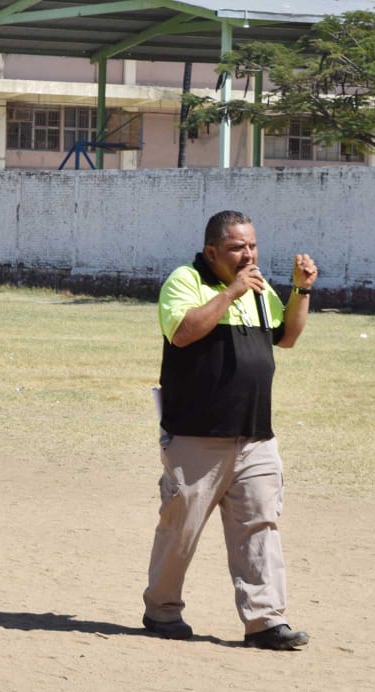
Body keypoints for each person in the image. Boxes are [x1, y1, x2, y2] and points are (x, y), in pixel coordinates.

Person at [142, 210, 318, 649]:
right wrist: (233, 291)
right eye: (239, 247)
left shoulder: (259, 289)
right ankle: (162, 610)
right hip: (196, 434)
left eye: (253, 246)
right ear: (212, 251)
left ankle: (265, 622)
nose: (249, 255)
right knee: (180, 527)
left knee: (260, 526)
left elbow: (287, 337)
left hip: (255, 435)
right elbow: (183, 333)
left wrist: (301, 290)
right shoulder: (185, 281)